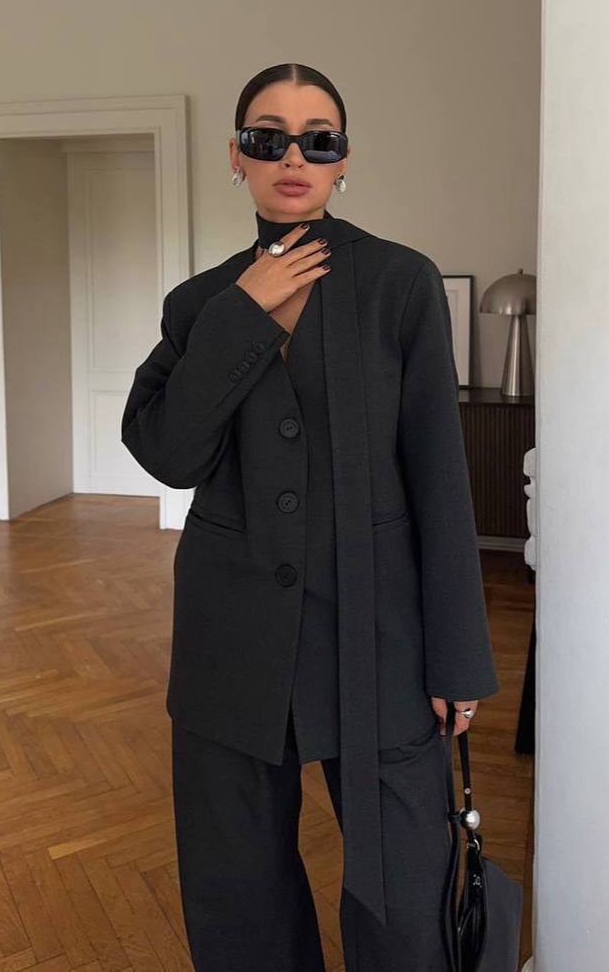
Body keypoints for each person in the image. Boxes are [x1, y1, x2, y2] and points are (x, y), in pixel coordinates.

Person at [120, 62, 499, 971]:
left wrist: (457, 657)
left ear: (343, 160)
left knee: (405, 891)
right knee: (236, 888)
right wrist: (243, 313)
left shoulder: (400, 284)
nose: (293, 157)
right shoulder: (201, 303)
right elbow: (169, 453)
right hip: (230, 638)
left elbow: (439, 477)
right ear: (237, 156)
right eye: (268, 137)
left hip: (378, 631)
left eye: (317, 139)